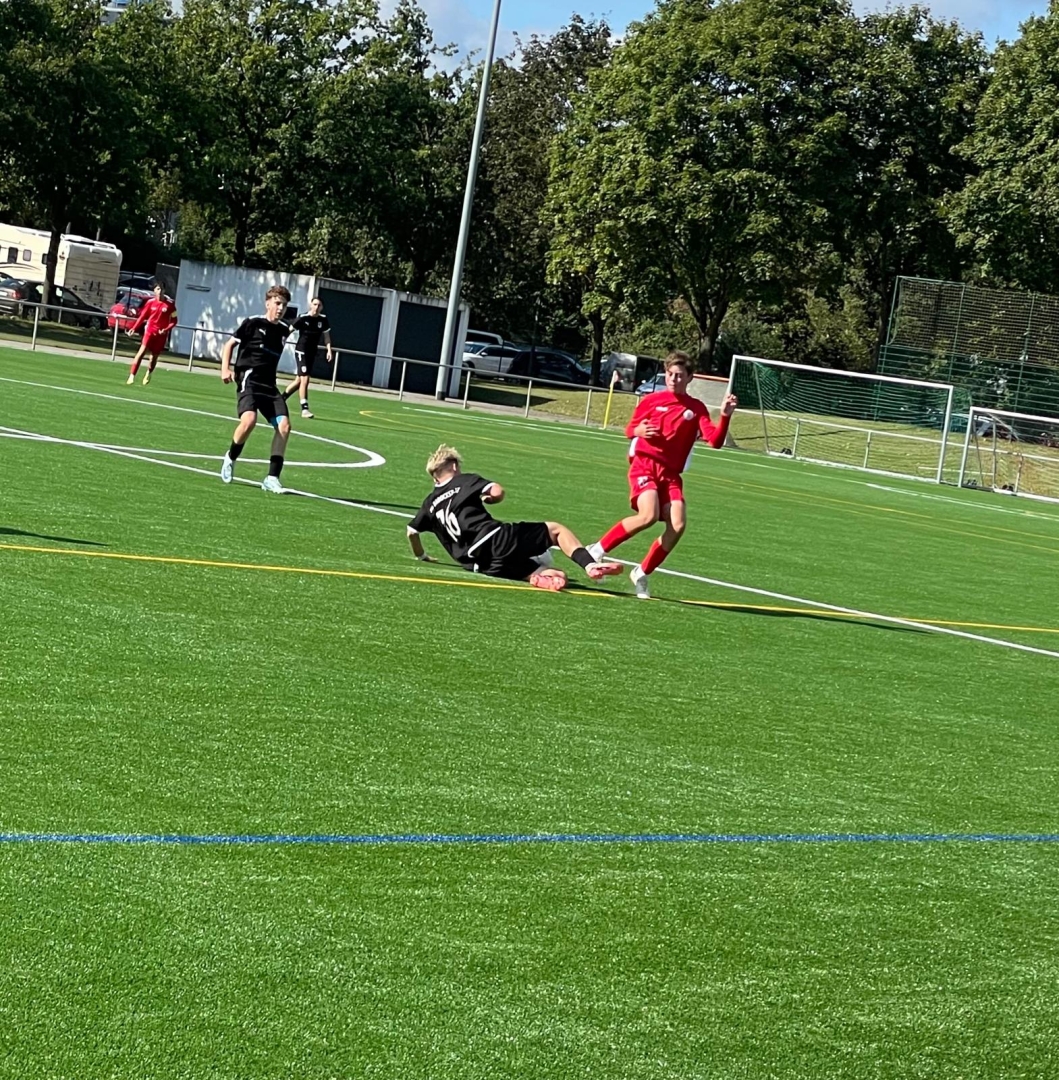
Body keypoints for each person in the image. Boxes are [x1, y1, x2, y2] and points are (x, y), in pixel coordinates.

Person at [587, 351, 738, 599]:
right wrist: (638, 430)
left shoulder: (696, 408)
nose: (674, 379)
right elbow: (630, 429)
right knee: (648, 515)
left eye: (679, 375)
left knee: (678, 525)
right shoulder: (651, 400)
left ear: (689, 378)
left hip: (670, 475)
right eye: (670, 374)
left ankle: (642, 572)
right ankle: (597, 549)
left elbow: (715, 441)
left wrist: (725, 415)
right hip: (645, 466)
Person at [407, 445, 624, 591]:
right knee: (556, 530)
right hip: (496, 540)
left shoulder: (429, 503)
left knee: (558, 575)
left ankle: (542, 579)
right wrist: (490, 499)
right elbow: (498, 491)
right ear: (454, 465)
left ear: (434, 476)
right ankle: (590, 565)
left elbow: (412, 532)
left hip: (481, 564)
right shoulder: (464, 480)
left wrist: (422, 555)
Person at [219, 285, 294, 493]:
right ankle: (231, 457)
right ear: (268, 303)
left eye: (284, 305)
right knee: (249, 421)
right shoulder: (252, 323)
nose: (281, 308)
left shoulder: (283, 330)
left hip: (269, 385)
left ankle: (272, 478)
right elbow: (229, 345)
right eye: (277, 303)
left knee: (284, 426)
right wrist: (225, 369)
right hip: (249, 380)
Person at [282, 297, 332, 419]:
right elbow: (288, 331)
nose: (316, 307)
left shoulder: (323, 320)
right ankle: (304, 409)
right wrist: (281, 342)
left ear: (322, 307)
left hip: (312, 352)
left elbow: (326, 337)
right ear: (311, 305)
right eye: (315, 304)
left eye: (319, 305)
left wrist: (329, 350)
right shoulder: (303, 318)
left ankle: (281, 399)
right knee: (305, 379)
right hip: (301, 351)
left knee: (299, 381)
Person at [124, 284, 178, 385]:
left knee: (153, 357)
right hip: (150, 331)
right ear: (154, 290)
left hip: (161, 335)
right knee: (141, 352)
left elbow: (174, 321)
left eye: (162, 289)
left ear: (164, 290)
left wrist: (166, 329)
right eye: (158, 289)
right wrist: (134, 328)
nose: (160, 291)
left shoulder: (170, 305)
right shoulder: (150, 302)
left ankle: (148, 373)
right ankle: (132, 376)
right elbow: (142, 317)